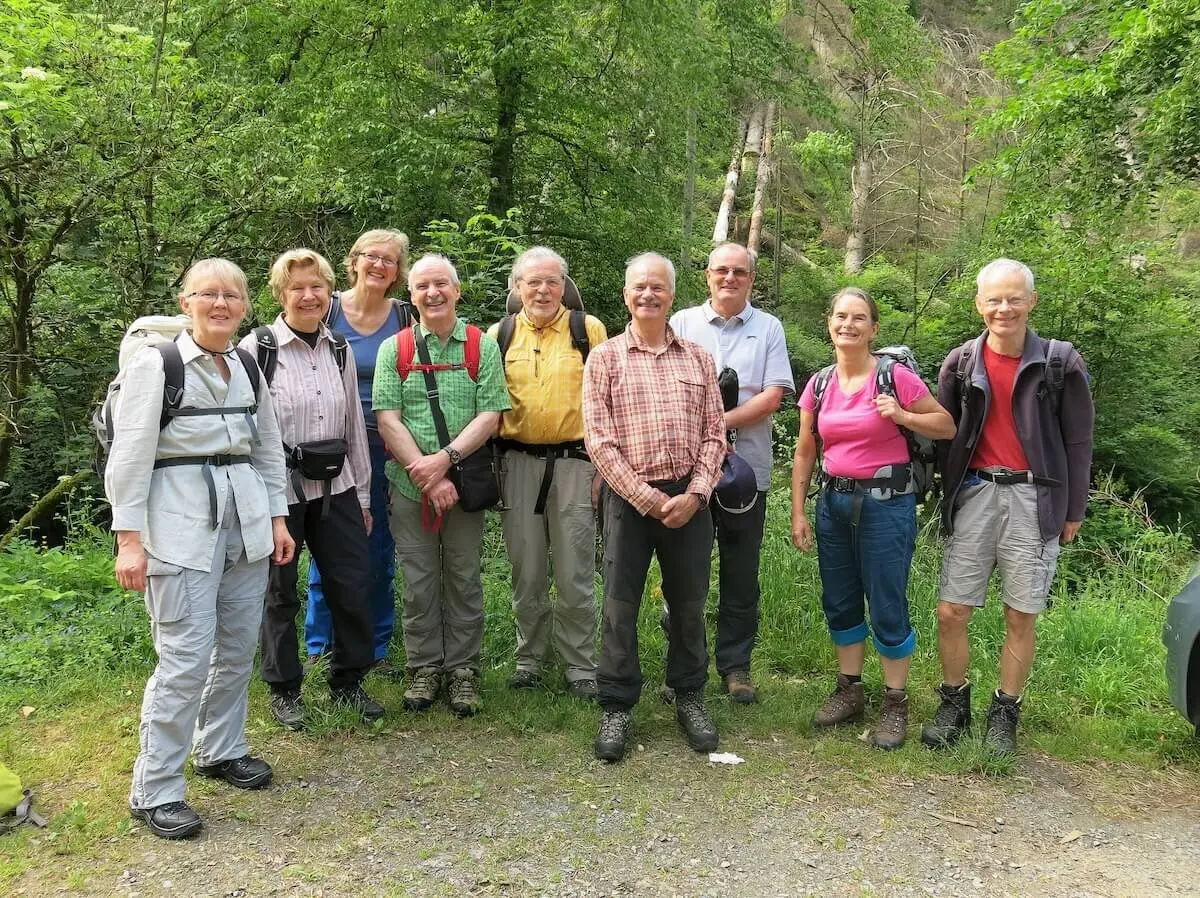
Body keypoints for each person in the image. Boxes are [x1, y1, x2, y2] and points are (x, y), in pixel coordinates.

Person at [106, 259, 295, 839]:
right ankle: (156, 789)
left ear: (245, 306)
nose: (220, 304)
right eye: (207, 294)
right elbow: (130, 454)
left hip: (246, 526)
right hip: (178, 529)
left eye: (231, 296)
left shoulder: (247, 365)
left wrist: (278, 519)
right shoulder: (157, 365)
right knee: (185, 659)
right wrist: (129, 540)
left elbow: (267, 449)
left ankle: (220, 748)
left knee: (237, 649)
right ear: (185, 303)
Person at [921, 259, 1094, 755]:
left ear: (1031, 302)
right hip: (974, 493)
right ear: (979, 304)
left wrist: (1073, 509)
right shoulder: (960, 363)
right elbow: (944, 432)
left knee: (1021, 613)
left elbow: (1079, 441)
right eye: (994, 299)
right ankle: (954, 702)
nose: (1004, 308)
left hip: (1035, 497)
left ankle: (1005, 711)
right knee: (952, 610)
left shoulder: (1060, 363)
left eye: (1014, 298)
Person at [790, 287, 955, 749]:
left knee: (886, 602)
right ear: (829, 324)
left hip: (887, 504)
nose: (848, 324)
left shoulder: (894, 377)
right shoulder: (819, 384)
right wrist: (799, 511)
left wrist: (902, 415)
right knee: (840, 599)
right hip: (833, 503)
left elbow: (946, 425)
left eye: (859, 318)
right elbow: (805, 451)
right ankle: (850, 690)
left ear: (874, 328)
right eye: (841, 316)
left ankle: (895, 701)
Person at [583, 252, 727, 762]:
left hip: (689, 499)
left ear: (672, 294)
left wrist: (696, 493)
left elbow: (715, 433)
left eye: (658, 287)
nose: (649, 294)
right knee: (619, 606)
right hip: (628, 500)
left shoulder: (698, 358)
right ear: (626, 295)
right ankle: (617, 704)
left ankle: (689, 695)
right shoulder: (604, 358)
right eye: (640, 287)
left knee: (688, 604)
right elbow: (599, 441)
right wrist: (647, 498)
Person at [239, 249, 382, 730]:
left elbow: (353, 426)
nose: (308, 296)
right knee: (279, 593)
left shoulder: (338, 347)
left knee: (351, 584)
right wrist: (259, 504)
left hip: (338, 487)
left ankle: (349, 680)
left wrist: (363, 497)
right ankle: (284, 689)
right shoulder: (259, 349)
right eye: (297, 287)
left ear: (329, 292)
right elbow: (246, 430)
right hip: (279, 493)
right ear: (280, 294)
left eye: (317, 286)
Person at [373, 254, 510, 717]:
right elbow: (388, 420)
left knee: (464, 578)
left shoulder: (481, 346)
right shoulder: (395, 349)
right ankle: (425, 666)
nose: (432, 293)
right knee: (418, 582)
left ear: (456, 290)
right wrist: (428, 477)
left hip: (464, 486)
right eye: (422, 286)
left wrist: (445, 461)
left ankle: (464, 670)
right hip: (410, 487)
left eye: (441, 285)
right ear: (411, 296)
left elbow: (490, 415)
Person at [669, 242, 794, 703]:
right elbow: (666, 390)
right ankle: (683, 666)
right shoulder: (682, 323)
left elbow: (773, 396)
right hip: (688, 472)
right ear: (707, 275)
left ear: (751, 279)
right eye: (721, 270)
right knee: (686, 573)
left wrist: (715, 424)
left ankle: (736, 667)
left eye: (739, 272)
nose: (729, 278)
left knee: (741, 573)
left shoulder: (769, 328)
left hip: (747, 472)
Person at [488, 247, 608, 699]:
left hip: (576, 464)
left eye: (552, 281)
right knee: (527, 569)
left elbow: (605, 400)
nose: (542, 290)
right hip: (515, 464)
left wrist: (603, 469)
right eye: (533, 282)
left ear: (564, 286)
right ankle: (529, 659)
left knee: (576, 570)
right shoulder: (499, 335)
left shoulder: (587, 330)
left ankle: (580, 664)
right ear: (517, 288)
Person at [305, 229, 411, 671]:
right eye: (372, 256)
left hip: (386, 446)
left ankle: (375, 646)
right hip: (330, 446)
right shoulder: (326, 309)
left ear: (398, 271)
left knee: (379, 550)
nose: (379, 265)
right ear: (354, 261)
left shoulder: (404, 317)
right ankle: (319, 645)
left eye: (390, 260)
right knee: (326, 547)